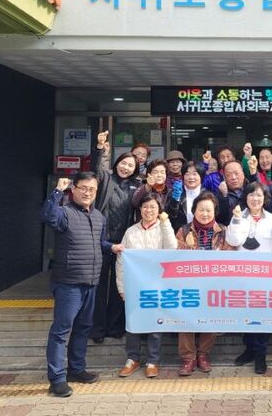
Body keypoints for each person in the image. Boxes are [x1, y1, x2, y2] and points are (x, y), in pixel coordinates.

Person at [40, 172, 120, 397]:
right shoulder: (64, 213)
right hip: (68, 283)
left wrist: (112, 247)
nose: (87, 193)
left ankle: (76, 369)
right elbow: (47, 216)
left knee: (83, 328)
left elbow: (99, 242)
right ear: (73, 189)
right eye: (83, 188)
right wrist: (57, 191)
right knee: (61, 331)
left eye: (92, 189)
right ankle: (57, 379)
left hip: (92, 282)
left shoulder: (98, 216)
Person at [227, 182, 272, 374]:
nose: (255, 199)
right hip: (242, 277)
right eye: (251, 195)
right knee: (245, 315)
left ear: (265, 198)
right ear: (246, 197)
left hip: (266, 278)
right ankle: (249, 349)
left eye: (259, 195)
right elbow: (233, 241)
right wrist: (236, 220)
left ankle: (260, 353)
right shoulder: (238, 217)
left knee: (262, 316)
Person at [116, 194, 177, 378]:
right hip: (135, 285)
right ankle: (132, 359)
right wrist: (122, 288)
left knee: (155, 323)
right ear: (140, 209)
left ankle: (152, 361)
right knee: (133, 323)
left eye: (153, 207)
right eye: (145, 207)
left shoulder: (163, 228)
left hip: (157, 285)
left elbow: (172, 248)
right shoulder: (131, 231)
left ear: (159, 210)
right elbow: (121, 261)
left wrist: (165, 223)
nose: (148, 210)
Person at [90, 131, 141, 343]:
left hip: (124, 242)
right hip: (101, 240)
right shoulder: (106, 179)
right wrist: (100, 149)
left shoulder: (136, 185)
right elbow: (98, 169)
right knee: (99, 285)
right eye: (123, 163)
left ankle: (115, 326)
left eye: (130, 166)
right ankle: (97, 329)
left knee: (120, 285)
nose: (126, 167)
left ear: (135, 169)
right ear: (117, 163)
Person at [175, 192, 233, 376]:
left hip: (214, 285)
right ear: (194, 211)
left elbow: (231, 257)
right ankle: (188, 358)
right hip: (188, 284)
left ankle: (203, 354)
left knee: (211, 319)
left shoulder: (224, 231)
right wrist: (189, 247)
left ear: (215, 211)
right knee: (186, 319)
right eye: (201, 210)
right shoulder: (184, 231)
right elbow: (175, 258)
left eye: (209, 210)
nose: (205, 214)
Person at [165, 160, 206, 232]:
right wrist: (175, 200)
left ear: (201, 176)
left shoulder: (207, 195)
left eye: (194, 174)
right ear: (183, 177)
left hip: (203, 234)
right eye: (187, 174)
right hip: (180, 234)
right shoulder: (175, 193)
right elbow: (170, 217)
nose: (191, 177)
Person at [216, 159, 250, 225]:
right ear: (224, 178)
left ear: (243, 174)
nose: (233, 177)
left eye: (236, 173)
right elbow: (220, 219)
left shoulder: (251, 188)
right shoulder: (220, 194)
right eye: (229, 175)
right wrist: (224, 197)